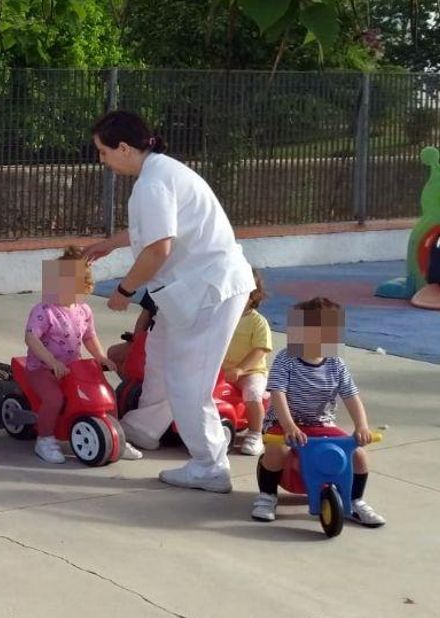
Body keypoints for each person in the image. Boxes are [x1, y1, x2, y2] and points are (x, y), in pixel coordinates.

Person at [86, 111, 254, 494]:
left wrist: (124, 291)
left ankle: (209, 465)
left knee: (188, 380)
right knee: (160, 353)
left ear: (124, 148)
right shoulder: (160, 173)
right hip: (198, 289)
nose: (103, 160)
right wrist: (110, 243)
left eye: (103, 151)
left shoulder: (153, 183)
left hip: (209, 291)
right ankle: (145, 427)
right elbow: (156, 230)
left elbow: (158, 249)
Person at [251, 298, 384, 527]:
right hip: (284, 422)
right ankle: (267, 496)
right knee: (277, 450)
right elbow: (278, 394)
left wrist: (361, 426)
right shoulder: (287, 359)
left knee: (358, 455)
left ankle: (354, 501)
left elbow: (351, 397)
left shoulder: (336, 365)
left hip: (321, 424)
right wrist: (289, 426)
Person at [23, 246, 142, 463]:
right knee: (54, 398)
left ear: (84, 288)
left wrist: (101, 357)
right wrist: (51, 362)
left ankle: (116, 437)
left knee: (105, 393)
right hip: (42, 368)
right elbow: (32, 338)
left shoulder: (83, 311)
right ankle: (45, 439)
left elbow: (89, 337)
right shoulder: (44, 311)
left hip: (72, 368)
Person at [222, 270, 273, 456]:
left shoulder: (257, 322)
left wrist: (241, 368)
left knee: (252, 392)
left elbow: (261, 349)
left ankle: (254, 434)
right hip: (221, 370)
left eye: (242, 294)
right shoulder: (222, 317)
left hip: (250, 372)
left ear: (253, 297)